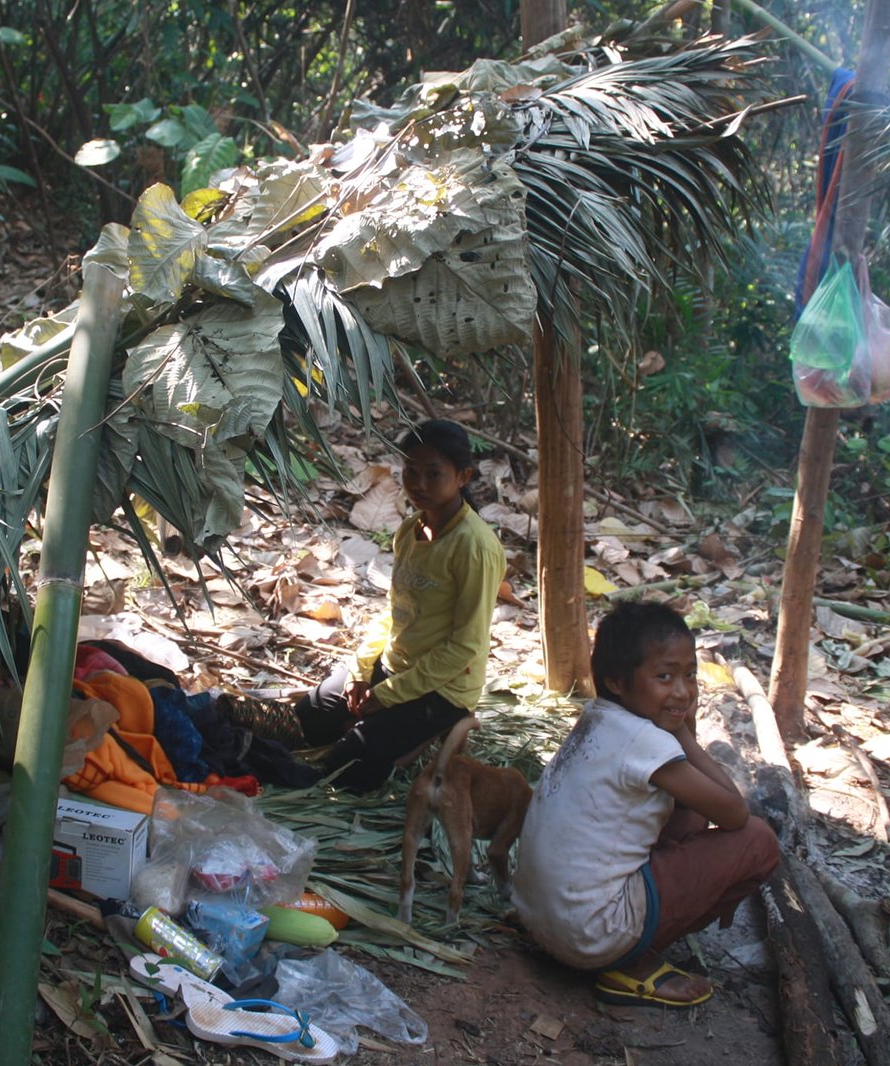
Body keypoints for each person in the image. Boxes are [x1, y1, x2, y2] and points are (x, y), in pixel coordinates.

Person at [510, 601, 780, 1007]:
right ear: (617, 681)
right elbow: (735, 813)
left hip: (538, 918)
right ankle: (633, 964)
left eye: (691, 675)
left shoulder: (597, 716)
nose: (683, 692)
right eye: (664, 676)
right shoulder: (647, 742)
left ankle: (640, 926)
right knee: (758, 842)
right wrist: (686, 738)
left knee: (688, 814)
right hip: (589, 937)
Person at [292, 419, 506, 791]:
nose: (418, 484)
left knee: (343, 771)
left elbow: (466, 647)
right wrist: (362, 670)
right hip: (394, 665)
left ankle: (397, 739)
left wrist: (388, 695)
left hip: (442, 687)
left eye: (433, 474)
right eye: (410, 471)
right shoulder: (410, 530)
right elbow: (396, 611)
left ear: (463, 476)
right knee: (308, 717)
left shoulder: (475, 547)